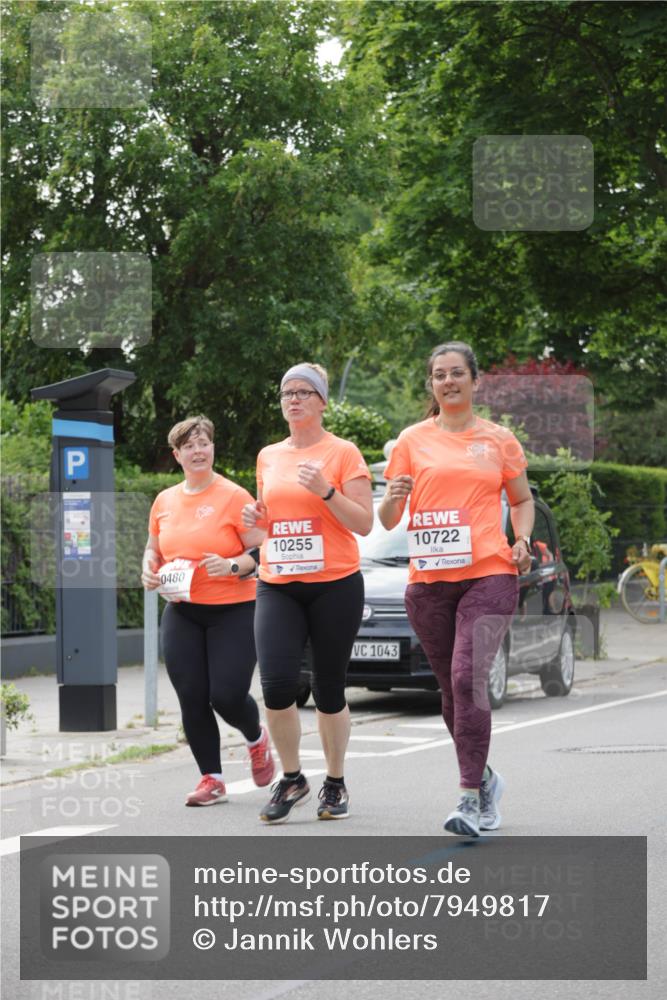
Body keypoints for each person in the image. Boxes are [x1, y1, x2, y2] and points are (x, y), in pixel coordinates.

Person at [379, 343, 534, 837]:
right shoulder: (410, 440)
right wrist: (394, 500)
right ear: (431, 385)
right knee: (450, 693)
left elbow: (522, 498)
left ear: (474, 380)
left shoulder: (498, 439)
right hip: (428, 584)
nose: (448, 382)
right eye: (439, 375)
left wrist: (522, 539)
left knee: (468, 678)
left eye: (457, 374)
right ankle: (486, 778)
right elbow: (386, 518)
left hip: (489, 573)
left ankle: (468, 799)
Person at [242, 363, 373, 824]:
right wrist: (254, 524)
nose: (292, 400)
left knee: (328, 688)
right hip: (278, 584)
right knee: (276, 688)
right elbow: (264, 530)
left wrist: (327, 491)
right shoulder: (268, 456)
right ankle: (293, 777)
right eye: (285, 393)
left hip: (334, 584)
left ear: (321, 401)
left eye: (303, 392)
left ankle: (334, 781)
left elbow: (363, 523)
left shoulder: (343, 452)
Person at [141, 415, 275, 806]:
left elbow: (262, 548)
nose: (198, 451)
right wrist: (148, 565)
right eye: (189, 446)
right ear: (177, 454)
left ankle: (256, 736)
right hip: (182, 610)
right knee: (191, 695)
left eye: (204, 443)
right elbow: (154, 548)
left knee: (227, 694)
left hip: (234, 609)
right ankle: (212, 779)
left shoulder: (234, 496)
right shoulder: (164, 500)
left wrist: (233, 565)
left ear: (212, 448)